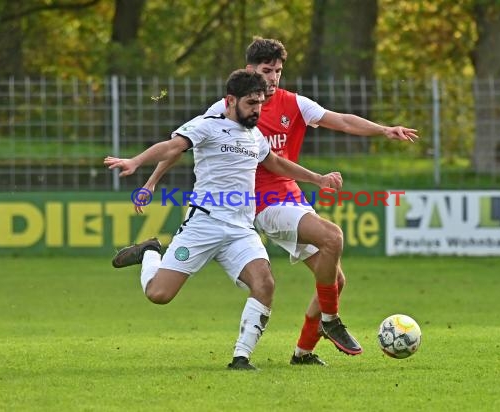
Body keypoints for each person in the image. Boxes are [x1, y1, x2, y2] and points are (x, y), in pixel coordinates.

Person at [141, 38, 419, 366]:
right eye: (266, 70)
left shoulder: (294, 103)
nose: (273, 77)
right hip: (262, 204)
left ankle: (303, 352)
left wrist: (384, 130)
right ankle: (330, 322)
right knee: (332, 237)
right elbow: (179, 145)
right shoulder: (226, 110)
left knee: (334, 279)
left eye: (278, 71)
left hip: (292, 199)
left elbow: (341, 121)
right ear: (250, 71)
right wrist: (151, 181)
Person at [104, 69, 344, 370]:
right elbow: (171, 147)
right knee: (159, 294)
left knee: (265, 283)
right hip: (203, 224)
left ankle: (241, 358)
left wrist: (317, 178)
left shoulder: (254, 135)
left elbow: (276, 162)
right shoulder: (207, 125)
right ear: (230, 101)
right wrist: (136, 161)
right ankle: (151, 251)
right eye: (250, 103)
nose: (257, 109)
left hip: (240, 229)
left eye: (259, 103)